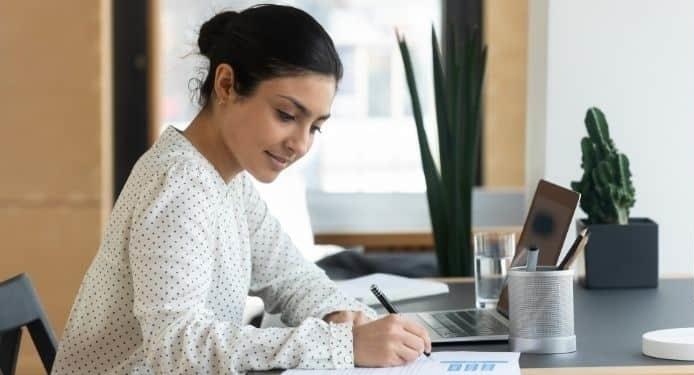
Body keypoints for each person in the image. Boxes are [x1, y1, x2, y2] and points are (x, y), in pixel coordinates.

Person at [52, 5, 431, 374]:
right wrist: (341, 346)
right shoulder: (179, 186)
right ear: (226, 84)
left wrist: (340, 316)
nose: (300, 144)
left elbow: (288, 275)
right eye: (286, 115)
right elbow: (176, 348)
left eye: (315, 127)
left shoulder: (226, 180)